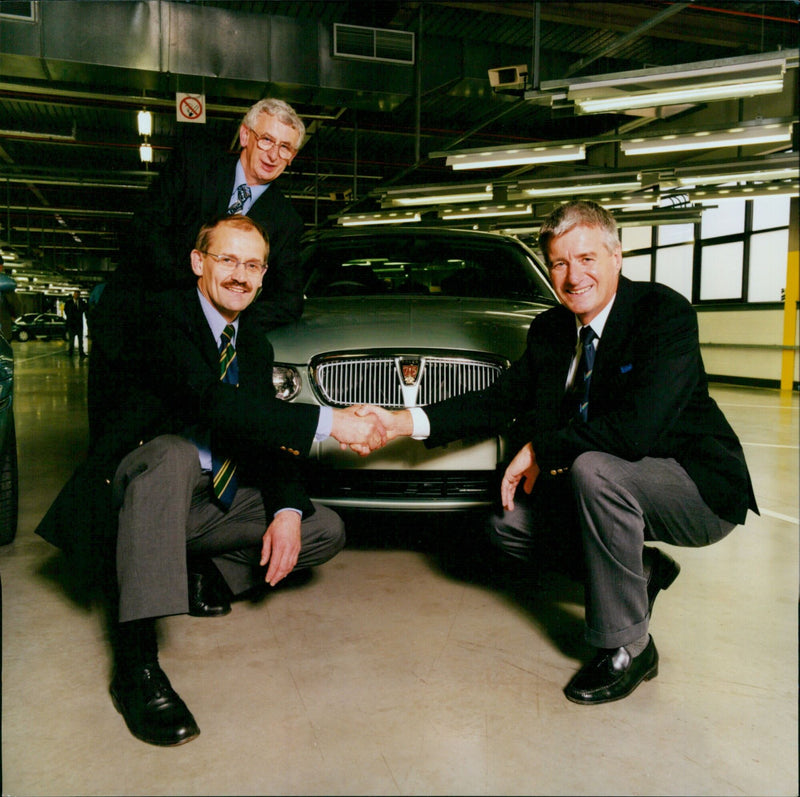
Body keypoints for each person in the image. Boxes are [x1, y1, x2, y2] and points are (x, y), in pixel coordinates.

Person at [361, 200, 758, 705]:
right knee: (508, 525)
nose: (573, 277)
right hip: (619, 481)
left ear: (617, 256)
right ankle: (646, 571)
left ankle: (628, 647)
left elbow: (635, 433)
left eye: (587, 258)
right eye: (560, 262)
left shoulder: (663, 313)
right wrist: (401, 421)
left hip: (697, 488)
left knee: (593, 470)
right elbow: (500, 399)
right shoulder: (551, 329)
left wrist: (539, 449)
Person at [36, 215, 387, 746]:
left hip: (203, 500)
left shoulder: (255, 345)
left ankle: (202, 569)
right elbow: (212, 402)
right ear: (199, 263)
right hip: (135, 490)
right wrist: (332, 420)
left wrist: (289, 512)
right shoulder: (160, 317)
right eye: (227, 260)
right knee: (175, 455)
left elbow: (262, 433)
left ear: (265, 276)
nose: (240, 276)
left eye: (253, 265)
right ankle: (136, 667)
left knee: (323, 528)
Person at [89, 97, 306, 441]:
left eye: (285, 148)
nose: (273, 155)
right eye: (266, 140)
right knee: (116, 445)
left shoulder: (287, 223)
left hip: (202, 354)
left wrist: (220, 319)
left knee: (190, 444)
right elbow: (144, 232)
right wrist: (190, 302)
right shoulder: (194, 166)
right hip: (136, 327)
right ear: (246, 136)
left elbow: (288, 300)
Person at [64, 290, 87, 358]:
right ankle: (70, 352)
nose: (76, 296)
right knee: (71, 340)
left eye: (78, 294)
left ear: (79, 295)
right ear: (73, 295)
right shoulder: (68, 303)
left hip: (79, 324)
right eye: (75, 294)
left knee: (80, 340)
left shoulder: (82, 303)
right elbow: (66, 311)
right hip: (71, 324)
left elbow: (85, 309)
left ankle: (81, 353)